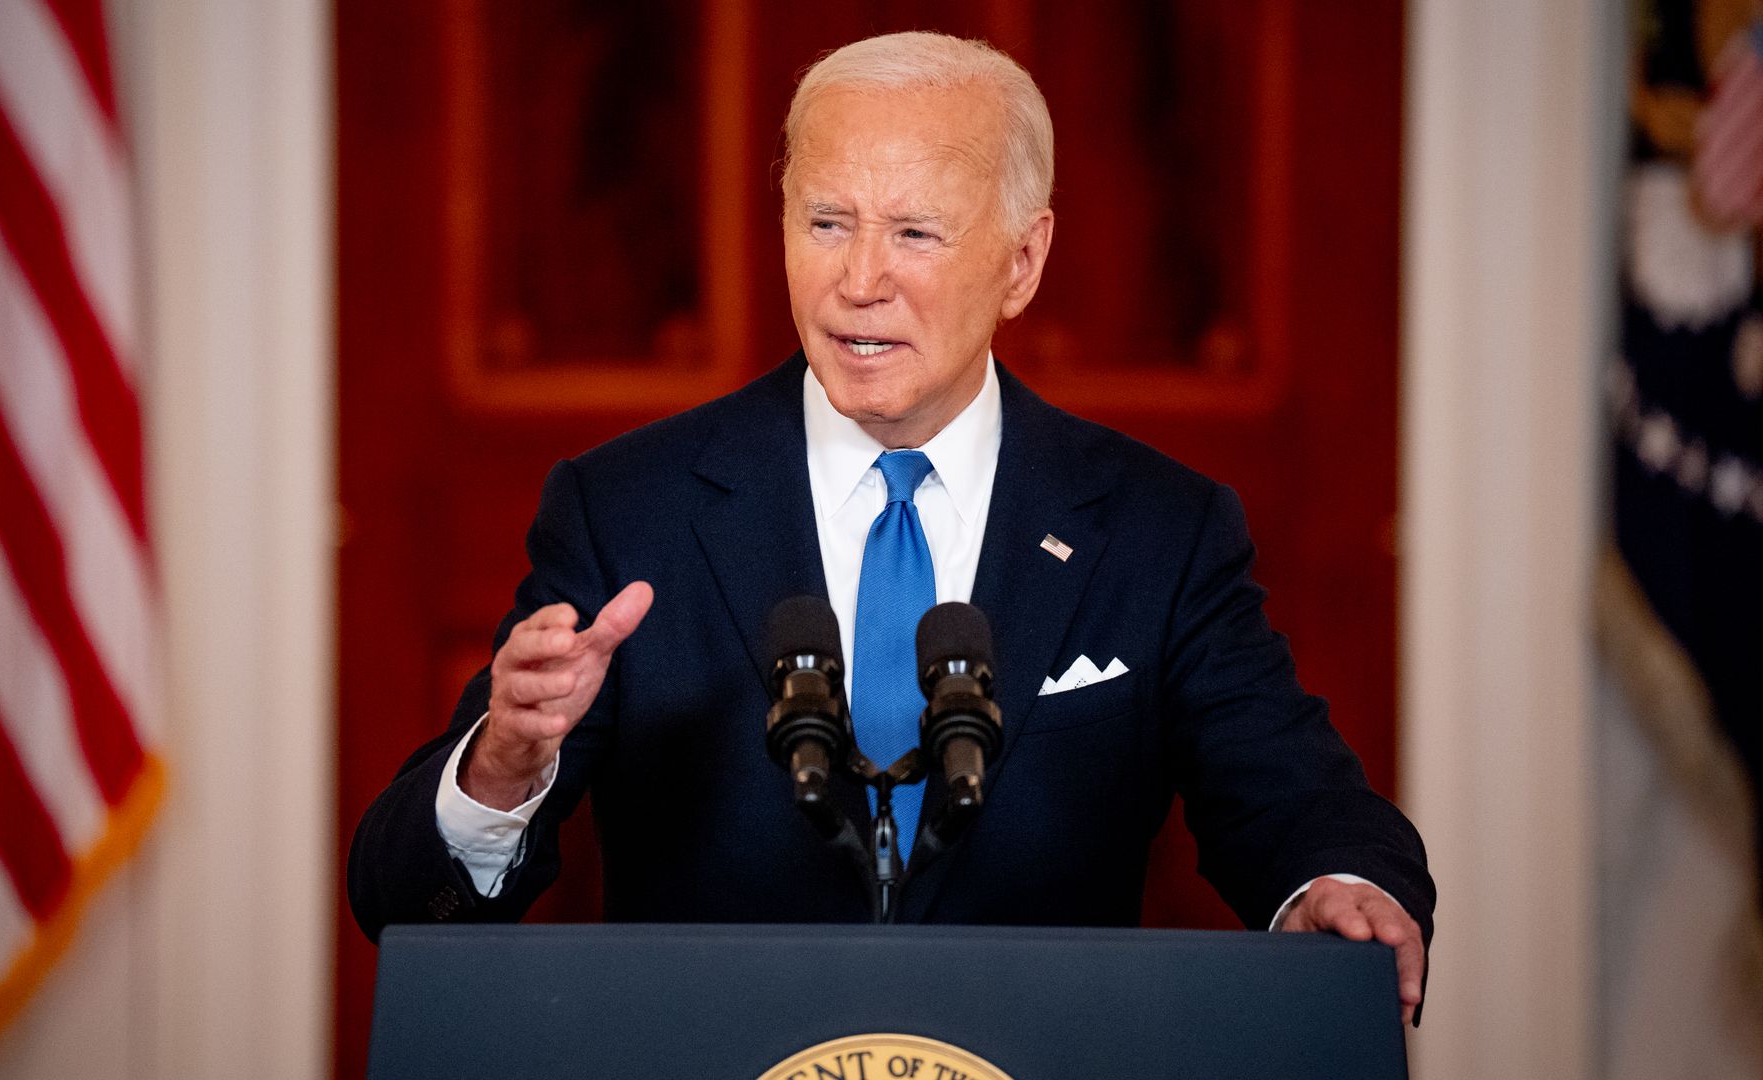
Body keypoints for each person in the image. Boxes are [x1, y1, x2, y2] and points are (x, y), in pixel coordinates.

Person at [349, 30, 1434, 1023]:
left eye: (914, 232)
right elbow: (404, 900)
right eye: (827, 223)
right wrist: (501, 764)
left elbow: (1297, 800)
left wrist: (1341, 889)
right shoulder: (630, 508)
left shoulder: (1159, 528)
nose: (859, 281)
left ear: (1023, 260)